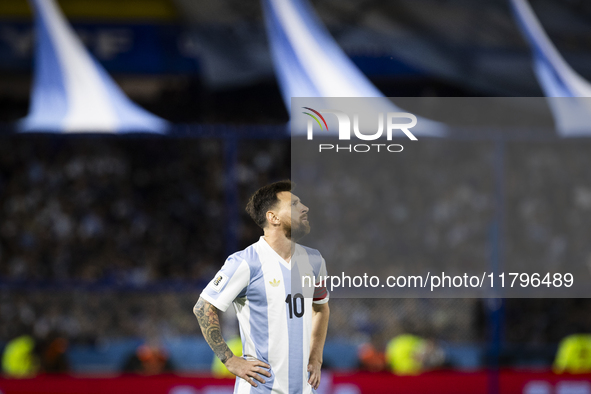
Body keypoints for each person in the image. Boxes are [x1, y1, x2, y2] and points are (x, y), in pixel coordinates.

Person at [194, 180, 330, 393]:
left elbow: (321, 307)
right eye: (294, 204)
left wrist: (316, 356)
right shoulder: (246, 262)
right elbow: (203, 307)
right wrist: (230, 361)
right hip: (260, 388)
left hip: (304, 389)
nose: (305, 208)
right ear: (273, 217)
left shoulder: (314, 260)